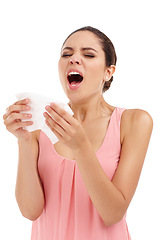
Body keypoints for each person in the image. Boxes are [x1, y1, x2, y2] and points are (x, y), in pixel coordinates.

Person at [3, 26, 153, 240]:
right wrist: (24, 140)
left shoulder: (134, 122)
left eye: (88, 54)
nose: (73, 59)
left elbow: (113, 213)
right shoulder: (41, 124)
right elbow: (30, 211)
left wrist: (81, 147)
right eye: (66, 54)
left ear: (108, 72)